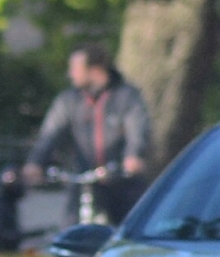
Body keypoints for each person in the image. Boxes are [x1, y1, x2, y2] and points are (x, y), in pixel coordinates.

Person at [15, 45, 151, 225]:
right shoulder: (69, 101)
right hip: (82, 176)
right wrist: (35, 162)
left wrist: (133, 156)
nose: (71, 74)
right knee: (71, 228)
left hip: (119, 179)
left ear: (94, 70)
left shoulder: (126, 96)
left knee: (128, 228)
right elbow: (50, 133)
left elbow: (137, 128)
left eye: (75, 69)